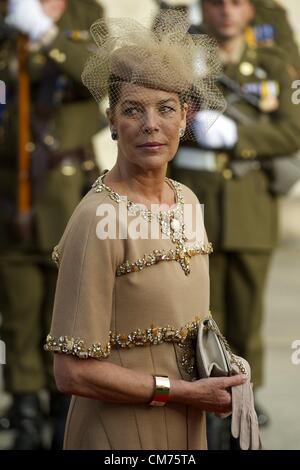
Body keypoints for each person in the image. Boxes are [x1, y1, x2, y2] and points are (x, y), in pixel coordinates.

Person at [44, 11, 246, 450]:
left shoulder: (188, 200)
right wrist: (185, 393)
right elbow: (72, 371)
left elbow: (185, 320)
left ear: (186, 116)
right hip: (116, 435)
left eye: (166, 109)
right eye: (133, 110)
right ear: (112, 121)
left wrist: (225, 364)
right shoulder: (96, 219)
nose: (151, 124)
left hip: (187, 427)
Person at [170, 0, 300, 441]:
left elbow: (293, 128)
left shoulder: (273, 63)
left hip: (250, 206)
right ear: (202, 11)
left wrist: (237, 137)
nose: (226, 11)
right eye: (216, 4)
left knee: (246, 310)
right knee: (200, 311)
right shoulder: (180, 60)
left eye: (236, 3)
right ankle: (207, 393)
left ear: (251, 12)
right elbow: (149, 114)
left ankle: (248, 390)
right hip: (196, 205)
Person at [0, 0, 105, 449]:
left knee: (70, 312)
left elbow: (100, 77)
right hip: (11, 189)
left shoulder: (87, 14)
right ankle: (24, 407)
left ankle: (66, 406)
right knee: (18, 311)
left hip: (67, 190)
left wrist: (46, 34)